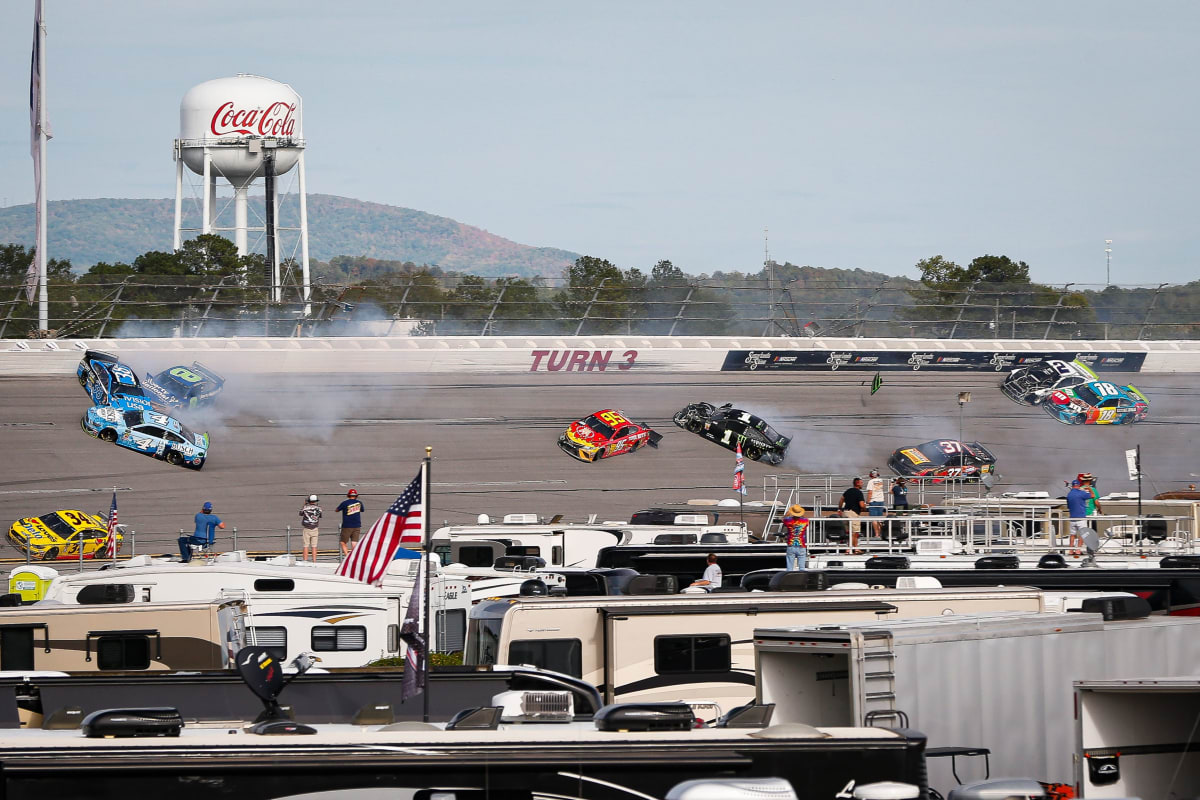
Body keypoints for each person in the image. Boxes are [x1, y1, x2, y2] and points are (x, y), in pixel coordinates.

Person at [1065, 479, 1095, 558]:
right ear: (1078, 485)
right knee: (1082, 534)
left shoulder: (1069, 494)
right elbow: (1092, 496)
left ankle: (1071, 550)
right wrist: (1089, 489)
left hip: (1072, 518)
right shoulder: (1081, 493)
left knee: (1072, 535)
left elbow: (1068, 506)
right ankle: (1078, 550)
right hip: (1081, 517)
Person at [838, 477, 867, 554]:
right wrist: (865, 507)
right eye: (861, 482)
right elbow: (861, 505)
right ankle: (852, 549)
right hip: (853, 513)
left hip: (845, 512)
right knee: (854, 532)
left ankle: (852, 549)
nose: (862, 484)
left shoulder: (848, 491)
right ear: (857, 483)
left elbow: (841, 500)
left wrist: (840, 509)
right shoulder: (859, 492)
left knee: (849, 532)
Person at [336, 489, 365, 558]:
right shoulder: (359, 503)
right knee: (354, 542)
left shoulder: (344, 503)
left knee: (343, 542)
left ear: (348, 495)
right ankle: (354, 557)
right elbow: (362, 510)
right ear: (356, 496)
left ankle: (347, 556)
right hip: (357, 525)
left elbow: (337, 510)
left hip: (347, 525)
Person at [782, 505, 810, 571]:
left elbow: (783, 519)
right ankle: (802, 579)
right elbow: (805, 519)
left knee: (789, 568)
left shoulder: (788, 521)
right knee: (802, 568)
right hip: (801, 545)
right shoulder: (805, 521)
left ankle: (789, 579)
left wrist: (789, 512)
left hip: (791, 545)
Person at [299, 494, 323, 563]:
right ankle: (314, 561)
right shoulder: (319, 508)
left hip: (307, 528)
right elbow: (320, 516)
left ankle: (305, 560)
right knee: (314, 546)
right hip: (315, 528)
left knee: (306, 545)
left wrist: (304, 504)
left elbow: (300, 513)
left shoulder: (305, 507)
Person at [865, 469, 886, 536]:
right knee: (880, 519)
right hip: (881, 500)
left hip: (874, 501)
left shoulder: (871, 481)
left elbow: (870, 492)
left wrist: (867, 501)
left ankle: (877, 534)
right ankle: (880, 533)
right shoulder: (880, 480)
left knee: (874, 518)